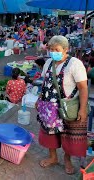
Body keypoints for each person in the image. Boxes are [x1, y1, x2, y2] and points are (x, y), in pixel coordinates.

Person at [36, 36, 88, 175]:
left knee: (69, 135)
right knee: (49, 134)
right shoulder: (48, 63)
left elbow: (83, 88)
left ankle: (67, 159)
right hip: (48, 106)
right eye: (51, 49)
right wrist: (39, 98)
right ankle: (53, 157)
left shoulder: (75, 64)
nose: (53, 52)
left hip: (68, 107)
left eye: (56, 50)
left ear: (66, 49)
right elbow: (44, 83)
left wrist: (82, 109)